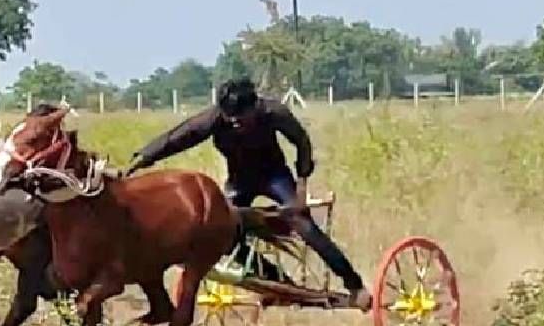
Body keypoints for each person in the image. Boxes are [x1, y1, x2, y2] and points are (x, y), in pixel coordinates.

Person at [124, 77, 372, 312]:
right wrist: (140, 160)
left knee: (303, 225)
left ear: (254, 107)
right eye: (229, 118)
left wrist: (301, 186)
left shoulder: (273, 112)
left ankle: (354, 284)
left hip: (275, 177)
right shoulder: (214, 119)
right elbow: (178, 138)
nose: (234, 123)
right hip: (240, 182)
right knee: (221, 234)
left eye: (240, 118)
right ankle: (275, 282)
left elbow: (301, 142)